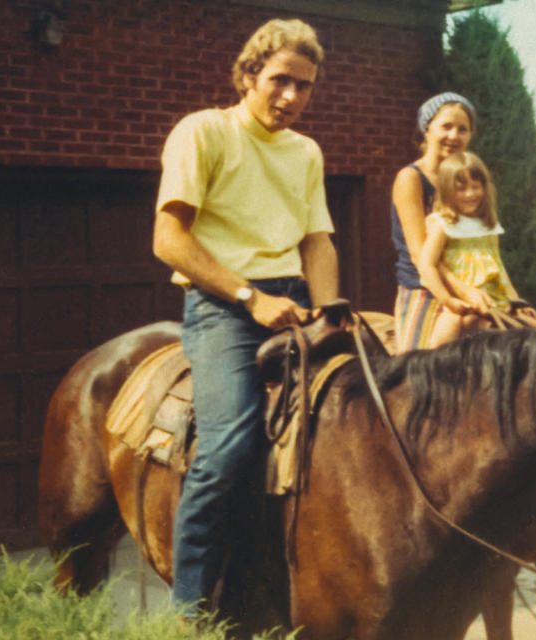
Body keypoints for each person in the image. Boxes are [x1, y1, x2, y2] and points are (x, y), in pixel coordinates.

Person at [151, 18, 338, 615]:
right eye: (280, 80)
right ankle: (187, 610)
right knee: (229, 446)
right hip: (222, 307)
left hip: (293, 304)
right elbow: (169, 240)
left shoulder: (306, 151)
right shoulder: (204, 131)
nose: (290, 97)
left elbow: (318, 243)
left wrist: (329, 313)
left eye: (304, 86)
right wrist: (249, 297)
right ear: (249, 74)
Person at [390, 92, 485, 351]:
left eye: (462, 129)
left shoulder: (466, 185)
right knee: (417, 373)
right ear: (427, 129)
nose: (454, 136)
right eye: (446, 126)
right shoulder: (411, 178)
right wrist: (464, 292)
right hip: (423, 288)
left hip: (469, 288)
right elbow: (420, 254)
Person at [417, 151, 536, 347]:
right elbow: (427, 265)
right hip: (461, 303)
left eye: (475, 187)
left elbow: (499, 267)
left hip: (495, 300)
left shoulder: (488, 225)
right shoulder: (443, 224)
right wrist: (447, 299)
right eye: (461, 189)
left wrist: (517, 301)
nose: (470, 194)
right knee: (443, 342)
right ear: (447, 191)